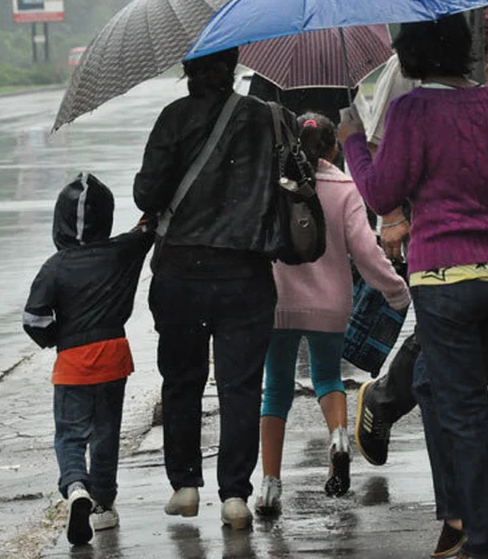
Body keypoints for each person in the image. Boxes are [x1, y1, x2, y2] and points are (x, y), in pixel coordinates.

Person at [338, 12, 488, 559]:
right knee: (437, 387)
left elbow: (383, 188)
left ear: (411, 56)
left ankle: (484, 541)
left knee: (465, 415)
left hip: (444, 281)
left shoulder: (412, 110)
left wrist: (353, 143)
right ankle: (461, 521)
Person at [133, 47, 290, 531]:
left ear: (187, 72)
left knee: (183, 379)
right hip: (246, 273)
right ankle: (235, 496)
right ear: (235, 65)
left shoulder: (173, 118)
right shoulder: (267, 118)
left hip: (181, 273)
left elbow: (147, 195)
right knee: (240, 385)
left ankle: (184, 485)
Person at [256, 112, 410, 516]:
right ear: (334, 148)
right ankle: (339, 438)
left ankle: (270, 486)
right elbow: (366, 252)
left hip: (277, 303)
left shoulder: (273, 181)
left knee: (275, 390)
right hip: (330, 304)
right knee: (327, 378)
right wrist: (397, 292)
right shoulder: (345, 188)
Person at [22, 173, 154, 545]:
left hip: (74, 362)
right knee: (106, 433)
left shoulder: (55, 266)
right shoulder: (121, 251)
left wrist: (55, 338)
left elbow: (34, 319)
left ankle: (76, 486)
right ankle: (104, 506)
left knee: (70, 436)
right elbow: (148, 228)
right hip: (114, 356)